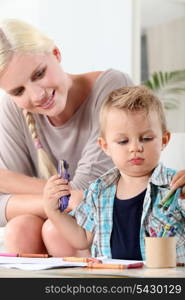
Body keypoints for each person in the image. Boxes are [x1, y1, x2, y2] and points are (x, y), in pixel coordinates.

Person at [0, 18, 134, 256]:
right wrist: (54, 202)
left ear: (56, 53)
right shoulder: (14, 109)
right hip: (54, 222)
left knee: (56, 229)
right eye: (18, 91)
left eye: (39, 74)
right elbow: (4, 205)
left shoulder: (113, 87)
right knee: (19, 228)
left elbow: (83, 193)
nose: (37, 95)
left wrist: (9, 181)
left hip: (105, 224)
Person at [43, 85, 185, 262]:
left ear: (164, 140)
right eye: (123, 141)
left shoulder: (176, 186)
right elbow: (82, 238)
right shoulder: (98, 190)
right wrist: (53, 212)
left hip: (162, 280)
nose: (135, 148)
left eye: (146, 139)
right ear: (105, 146)